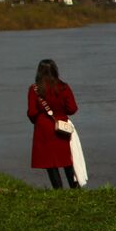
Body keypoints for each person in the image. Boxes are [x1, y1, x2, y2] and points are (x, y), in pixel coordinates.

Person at [27, 59, 79, 189]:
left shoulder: (34, 89)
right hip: (61, 128)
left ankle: (58, 190)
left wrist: (39, 117)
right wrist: (61, 112)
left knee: (51, 163)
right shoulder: (64, 87)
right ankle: (75, 187)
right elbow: (72, 109)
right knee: (67, 160)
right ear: (55, 70)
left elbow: (32, 113)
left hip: (43, 129)